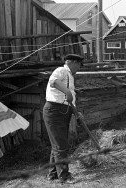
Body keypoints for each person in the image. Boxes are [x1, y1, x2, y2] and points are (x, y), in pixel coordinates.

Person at [43, 54, 84, 184]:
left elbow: (71, 100)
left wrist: (77, 113)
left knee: (57, 144)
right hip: (54, 111)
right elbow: (53, 82)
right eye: (79, 64)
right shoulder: (61, 70)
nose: (79, 67)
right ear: (71, 62)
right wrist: (67, 92)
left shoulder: (70, 77)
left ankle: (52, 174)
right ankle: (65, 176)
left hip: (63, 112)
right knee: (61, 145)